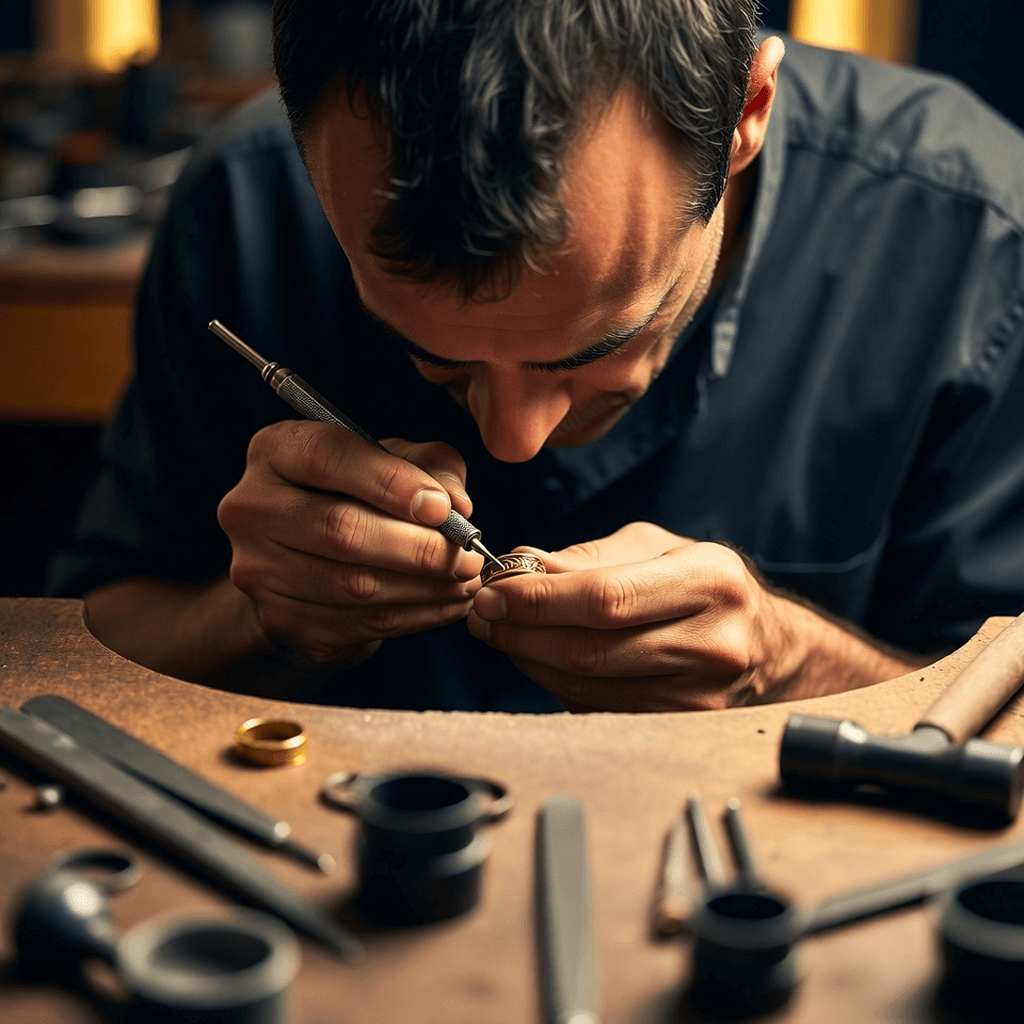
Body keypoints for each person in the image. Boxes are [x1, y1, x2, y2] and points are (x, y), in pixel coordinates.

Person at [47, 0, 1024, 713]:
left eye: (596, 348)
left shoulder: (976, 243)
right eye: (432, 358)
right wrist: (260, 623)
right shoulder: (244, 202)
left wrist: (790, 662)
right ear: (306, 149)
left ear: (746, 111)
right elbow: (75, 658)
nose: (509, 443)